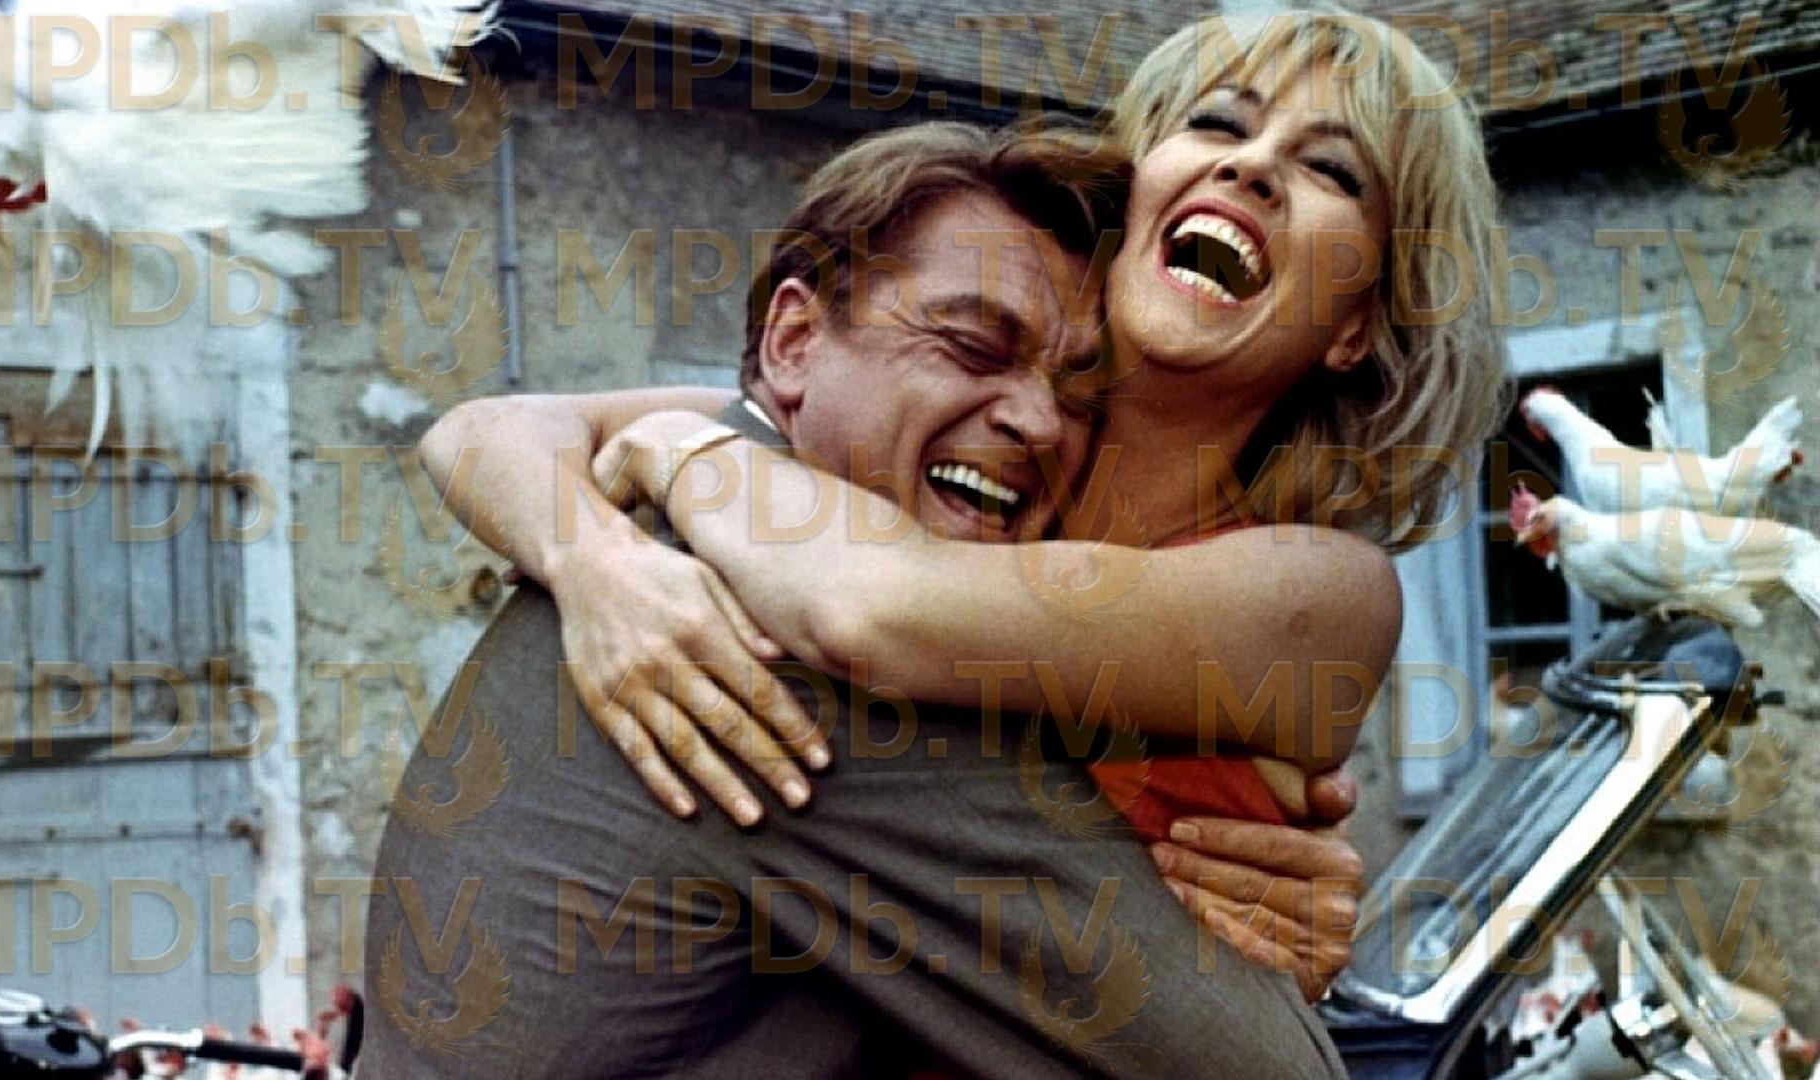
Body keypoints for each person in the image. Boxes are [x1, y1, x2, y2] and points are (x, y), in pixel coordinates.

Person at [424, 3, 1507, 993]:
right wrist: (598, 566)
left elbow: (870, 612)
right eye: (1219, 123)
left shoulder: (1323, 593)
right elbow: (486, 431)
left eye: (1330, 171)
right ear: (1135, 194)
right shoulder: (988, 471)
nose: (1254, 167)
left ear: (1357, 326)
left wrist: (676, 450)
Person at [364, 119, 1365, 1078]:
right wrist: (1254, 961)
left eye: (1077, 392)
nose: (1036, 421)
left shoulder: (694, 508)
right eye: (973, 348)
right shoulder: (786, 648)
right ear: (796, 341)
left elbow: (503, 427)